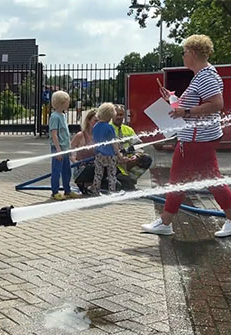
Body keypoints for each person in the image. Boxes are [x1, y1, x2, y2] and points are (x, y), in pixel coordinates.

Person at [142, 34, 231, 237]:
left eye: (184, 53)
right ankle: (165, 221)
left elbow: (216, 104)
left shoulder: (206, 76)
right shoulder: (202, 75)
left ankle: (165, 222)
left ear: (192, 53)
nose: (183, 56)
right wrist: (173, 99)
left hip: (196, 139)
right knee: (193, 179)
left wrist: (186, 112)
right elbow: (188, 105)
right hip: (195, 138)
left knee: (203, 179)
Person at [110, 104, 152, 191]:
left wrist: (136, 156)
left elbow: (139, 145)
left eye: (121, 115)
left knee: (146, 159)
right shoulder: (108, 129)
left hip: (129, 162)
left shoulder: (128, 130)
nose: (119, 117)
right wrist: (119, 158)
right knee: (128, 188)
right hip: (114, 163)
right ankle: (122, 180)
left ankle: (130, 179)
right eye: (116, 115)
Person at [49, 90, 80, 200]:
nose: (69, 103)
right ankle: (55, 192)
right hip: (58, 148)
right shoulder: (55, 117)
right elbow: (54, 134)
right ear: (62, 102)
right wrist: (58, 150)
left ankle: (67, 190)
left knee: (67, 170)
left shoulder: (63, 115)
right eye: (67, 101)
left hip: (65, 148)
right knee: (56, 171)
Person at [90, 103, 122, 195]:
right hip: (110, 155)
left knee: (98, 174)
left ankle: (95, 190)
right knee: (111, 174)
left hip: (99, 154)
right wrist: (118, 154)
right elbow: (113, 142)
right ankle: (112, 191)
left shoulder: (95, 127)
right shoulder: (110, 127)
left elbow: (94, 141)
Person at [71, 109, 97, 194]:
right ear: (89, 121)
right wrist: (75, 161)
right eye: (95, 121)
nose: (97, 124)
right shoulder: (80, 136)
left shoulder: (100, 137)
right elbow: (72, 151)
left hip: (96, 168)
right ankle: (85, 185)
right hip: (82, 169)